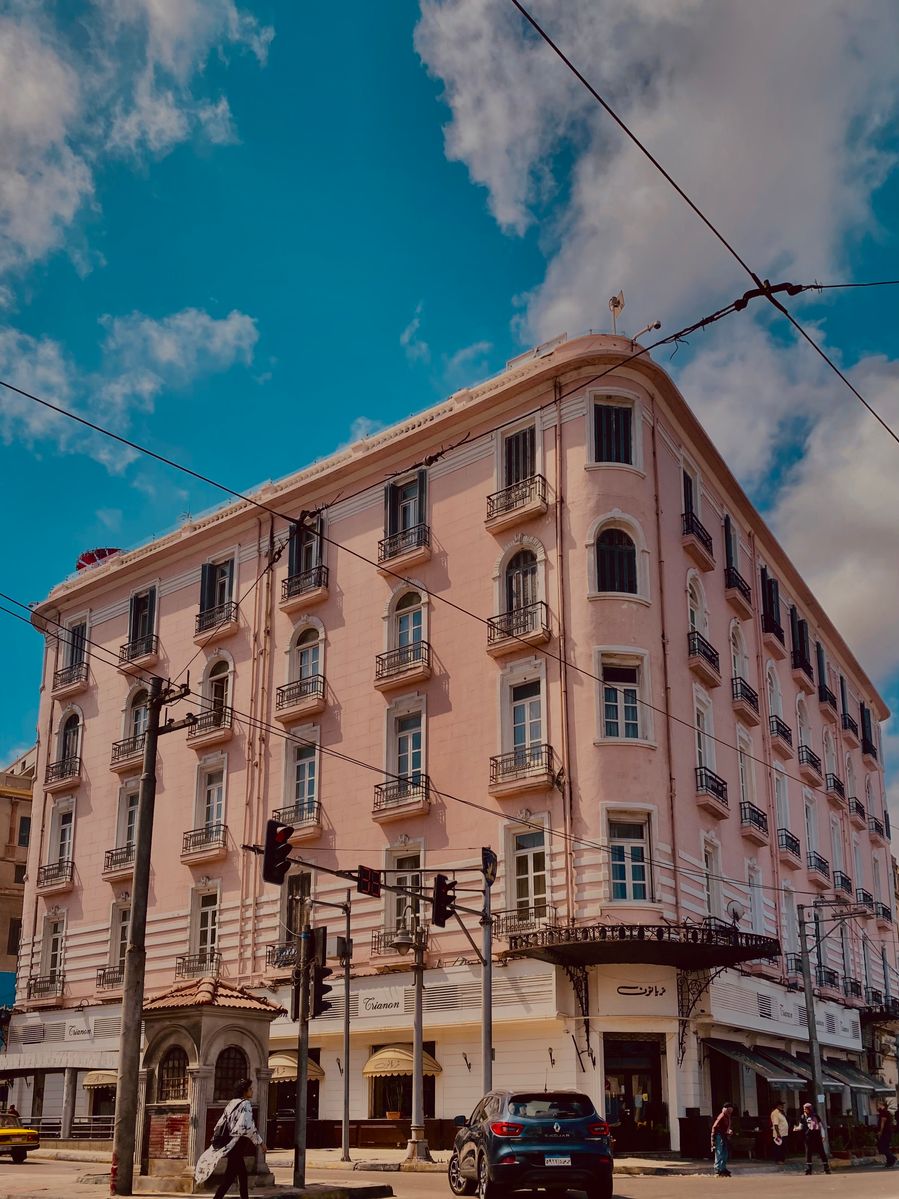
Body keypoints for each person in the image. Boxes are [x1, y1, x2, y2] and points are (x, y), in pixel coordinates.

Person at [194, 1078, 266, 1199]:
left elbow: (221, 1122)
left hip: (230, 1143)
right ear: (244, 1091)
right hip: (238, 1142)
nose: (252, 1091)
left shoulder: (232, 1103)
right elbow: (248, 1127)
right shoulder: (246, 1104)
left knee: (236, 1176)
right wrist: (261, 1143)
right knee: (235, 1176)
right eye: (250, 1089)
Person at [795, 1102, 830, 1175]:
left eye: (806, 1109)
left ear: (810, 1109)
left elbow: (821, 1126)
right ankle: (809, 1169)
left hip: (816, 1136)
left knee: (821, 1151)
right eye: (804, 1109)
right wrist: (796, 1128)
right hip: (808, 1136)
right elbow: (800, 1127)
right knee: (808, 1152)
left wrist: (823, 1136)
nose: (804, 1110)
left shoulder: (815, 1116)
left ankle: (826, 1167)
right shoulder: (803, 1117)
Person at [711, 1101, 734, 1177]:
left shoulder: (728, 1116)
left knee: (725, 1153)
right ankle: (717, 1169)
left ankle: (723, 1168)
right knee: (719, 1152)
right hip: (719, 1136)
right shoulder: (722, 1116)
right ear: (727, 1109)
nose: (731, 1110)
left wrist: (729, 1131)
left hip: (724, 1136)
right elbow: (714, 1127)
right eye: (730, 1108)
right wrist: (713, 1138)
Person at [876, 1103, 896, 1168]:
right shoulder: (885, 1112)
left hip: (885, 1132)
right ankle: (889, 1161)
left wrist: (880, 1132)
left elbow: (883, 1122)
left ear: (882, 1105)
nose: (877, 1107)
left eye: (878, 1105)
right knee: (885, 1147)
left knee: (883, 1147)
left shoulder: (883, 1112)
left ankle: (892, 1158)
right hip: (887, 1132)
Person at [770, 1100, 788, 1167]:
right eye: (781, 1105)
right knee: (778, 1148)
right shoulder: (775, 1113)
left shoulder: (781, 1113)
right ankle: (778, 1160)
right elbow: (775, 1124)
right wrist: (778, 1133)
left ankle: (782, 1159)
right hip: (779, 1134)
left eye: (782, 1105)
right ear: (777, 1106)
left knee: (783, 1147)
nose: (782, 1106)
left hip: (784, 1133)